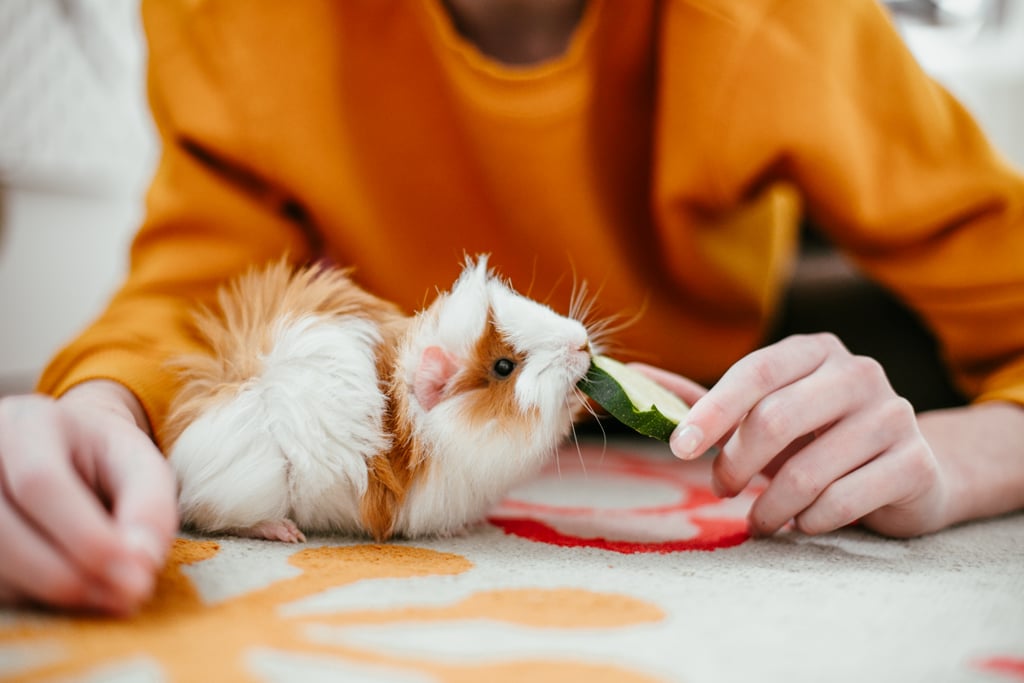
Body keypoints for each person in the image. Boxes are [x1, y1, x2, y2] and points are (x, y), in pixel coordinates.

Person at [1, 0, 1022, 615]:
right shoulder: (242, 20)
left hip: (697, 414)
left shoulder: (784, 27)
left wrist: (958, 457)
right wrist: (100, 415)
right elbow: (184, 300)